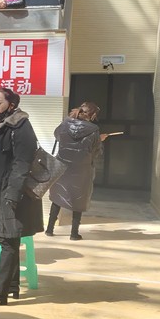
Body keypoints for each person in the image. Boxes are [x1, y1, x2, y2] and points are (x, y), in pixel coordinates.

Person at [0, 88, 43, 306]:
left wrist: (12, 195)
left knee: (8, 241)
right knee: (8, 239)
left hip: (13, 194)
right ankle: (11, 287)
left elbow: (22, 163)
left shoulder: (21, 126)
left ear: (11, 104)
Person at [47, 102, 106, 241]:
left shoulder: (65, 124)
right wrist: (100, 139)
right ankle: (74, 234)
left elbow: (57, 136)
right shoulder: (94, 130)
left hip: (62, 166)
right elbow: (96, 152)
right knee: (78, 200)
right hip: (82, 169)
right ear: (92, 115)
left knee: (58, 197)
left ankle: (49, 229)